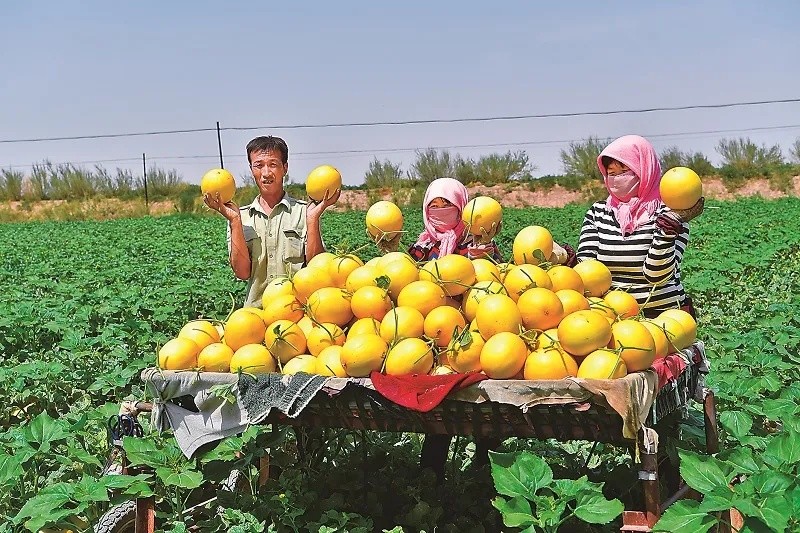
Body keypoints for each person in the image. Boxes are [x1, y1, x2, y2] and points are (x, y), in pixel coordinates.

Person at [375, 177, 572, 481]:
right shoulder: (421, 246)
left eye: (449, 206)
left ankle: (487, 472)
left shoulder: (478, 243)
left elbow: (502, 279)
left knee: (486, 414)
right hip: (434, 338)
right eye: (434, 206)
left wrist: (484, 252)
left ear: (462, 208)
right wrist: (388, 250)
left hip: (479, 334)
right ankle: (432, 477)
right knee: (438, 415)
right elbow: (405, 281)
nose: (441, 211)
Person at [576, 135, 704, 318]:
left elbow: (657, 275)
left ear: (645, 170)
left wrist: (668, 229)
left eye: (625, 171)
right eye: (611, 173)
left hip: (665, 319)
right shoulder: (598, 213)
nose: (617, 179)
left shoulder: (671, 214)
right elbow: (585, 270)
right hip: (614, 319)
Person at [204, 135, 339, 308]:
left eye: (273, 164)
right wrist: (234, 222)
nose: (266, 173)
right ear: (251, 170)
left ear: (285, 168)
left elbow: (317, 270)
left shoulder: (304, 212)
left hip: (297, 314)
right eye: (259, 165)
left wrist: (312, 220)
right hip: (256, 319)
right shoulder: (241, 217)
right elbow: (242, 272)